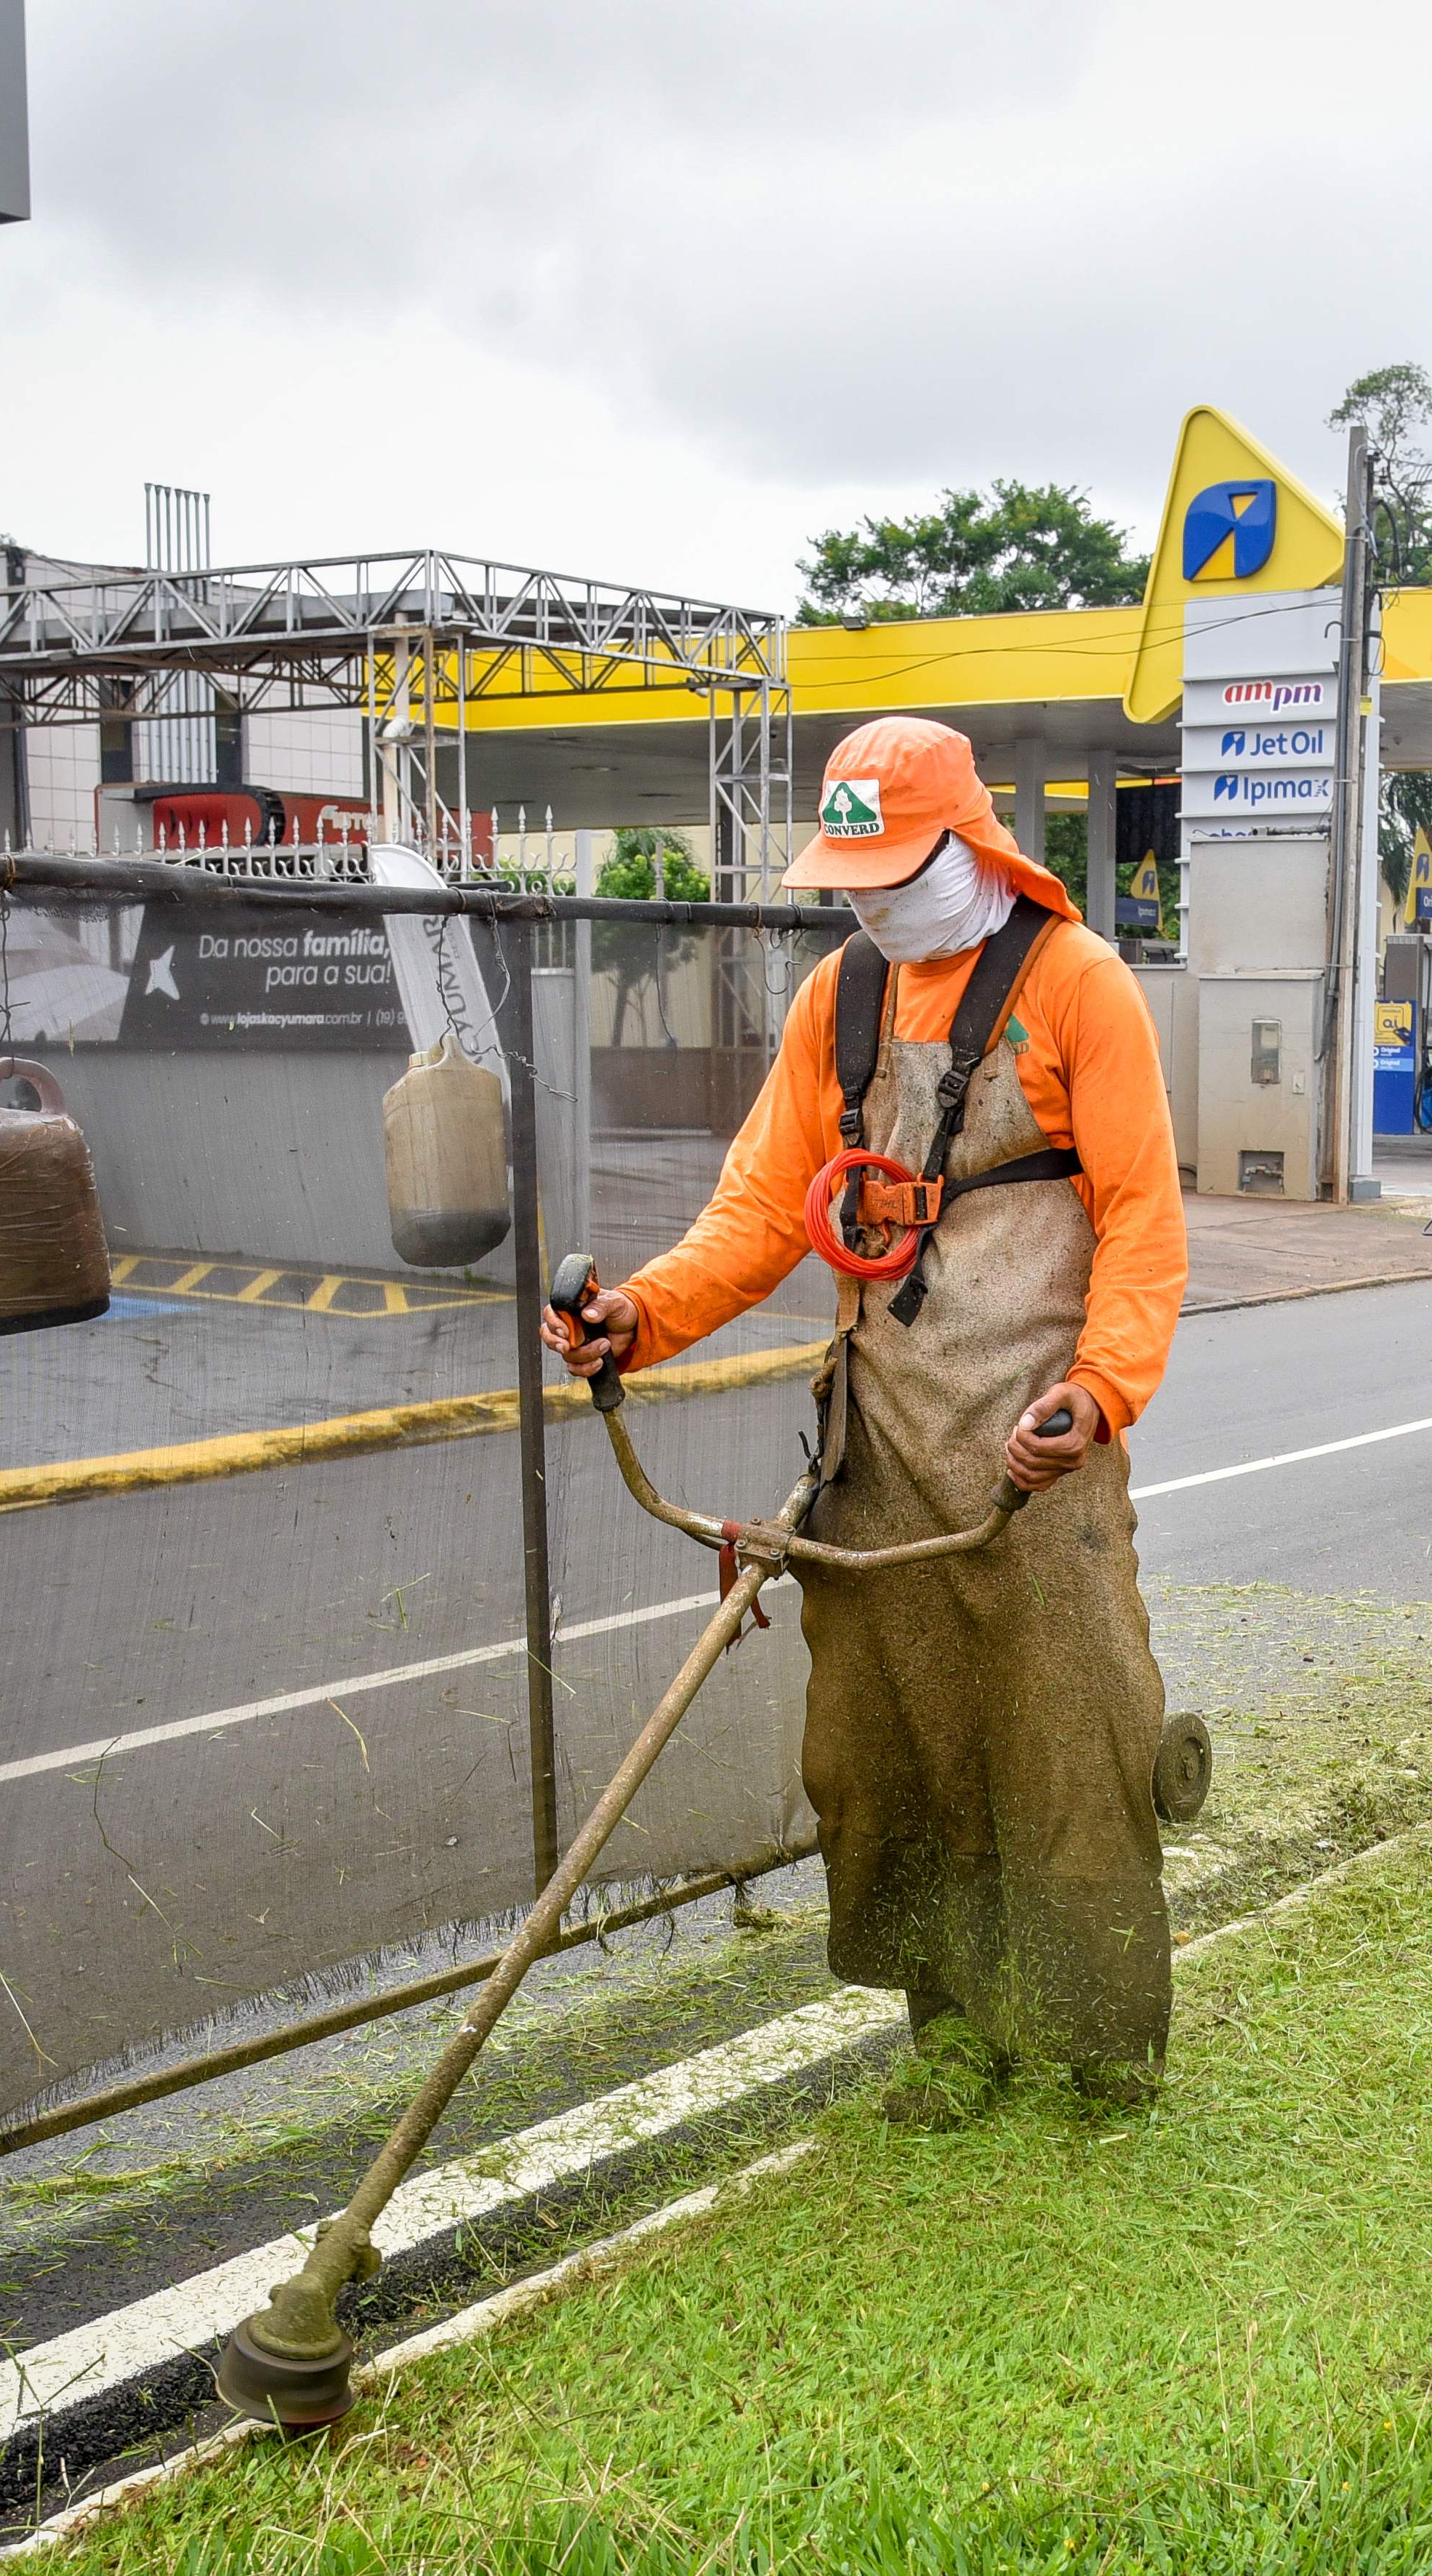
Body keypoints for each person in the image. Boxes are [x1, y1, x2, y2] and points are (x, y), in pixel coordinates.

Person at [543, 716, 1188, 2127]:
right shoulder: (836, 1000)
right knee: (907, 1757)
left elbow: (1143, 1222)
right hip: (883, 1449)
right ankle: (957, 2042)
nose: (871, 900)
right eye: (856, 876)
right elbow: (764, 1212)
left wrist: (1098, 1392)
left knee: (1067, 1756)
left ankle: (1101, 2055)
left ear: (971, 845)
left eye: (897, 871)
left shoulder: (1079, 986)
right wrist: (639, 1317)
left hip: (1041, 1450)